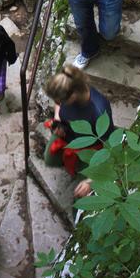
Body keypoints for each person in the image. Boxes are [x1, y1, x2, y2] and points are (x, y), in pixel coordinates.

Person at [43, 64, 114, 199]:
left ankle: (79, 170)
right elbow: (58, 104)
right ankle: (72, 166)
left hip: (90, 147)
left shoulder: (98, 111)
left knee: (81, 194)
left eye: (62, 100)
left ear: (74, 93)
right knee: (49, 159)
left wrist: (90, 181)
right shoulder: (67, 86)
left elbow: (109, 148)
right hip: (67, 134)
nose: (58, 103)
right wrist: (58, 120)